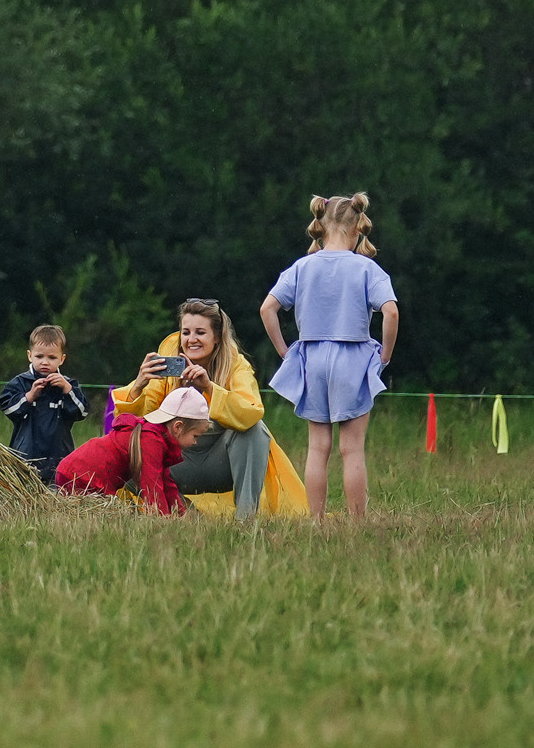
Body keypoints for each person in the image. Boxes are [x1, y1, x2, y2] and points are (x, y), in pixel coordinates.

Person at [260, 192, 399, 521]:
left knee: (317, 448)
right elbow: (391, 312)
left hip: (313, 359)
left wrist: (285, 351)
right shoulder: (367, 268)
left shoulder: (302, 267)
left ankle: (317, 522)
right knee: (351, 449)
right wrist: (385, 356)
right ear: (356, 230)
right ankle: (357, 523)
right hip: (353, 359)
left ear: (320, 226)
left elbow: (268, 308)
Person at [113, 299, 308, 520]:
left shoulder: (236, 365)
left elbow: (251, 412)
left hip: (220, 461)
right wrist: (138, 386)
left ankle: (245, 522)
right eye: (186, 332)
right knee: (125, 452)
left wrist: (210, 388)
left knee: (256, 430)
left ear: (216, 337)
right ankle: (184, 514)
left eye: (200, 332)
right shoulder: (168, 364)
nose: (191, 339)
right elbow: (136, 422)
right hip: (176, 461)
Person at [53, 386, 214, 514]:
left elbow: (166, 483)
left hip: (78, 472)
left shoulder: (156, 437)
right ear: (178, 427)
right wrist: (163, 520)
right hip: (80, 476)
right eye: (195, 436)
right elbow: (152, 485)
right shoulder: (151, 440)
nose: (195, 442)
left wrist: (180, 515)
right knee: (95, 520)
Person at [0, 325, 88, 487]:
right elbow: (7, 408)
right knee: (26, 499)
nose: (45, 362)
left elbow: (82, 412)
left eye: (52, 358)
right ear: (30, 356)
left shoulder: (68, 385)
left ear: (62, 359)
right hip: (25, 457)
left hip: (59, 457)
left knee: (56, 500)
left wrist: (67, 389)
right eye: (39, 356)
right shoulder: (20, 383)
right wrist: (30, 396)